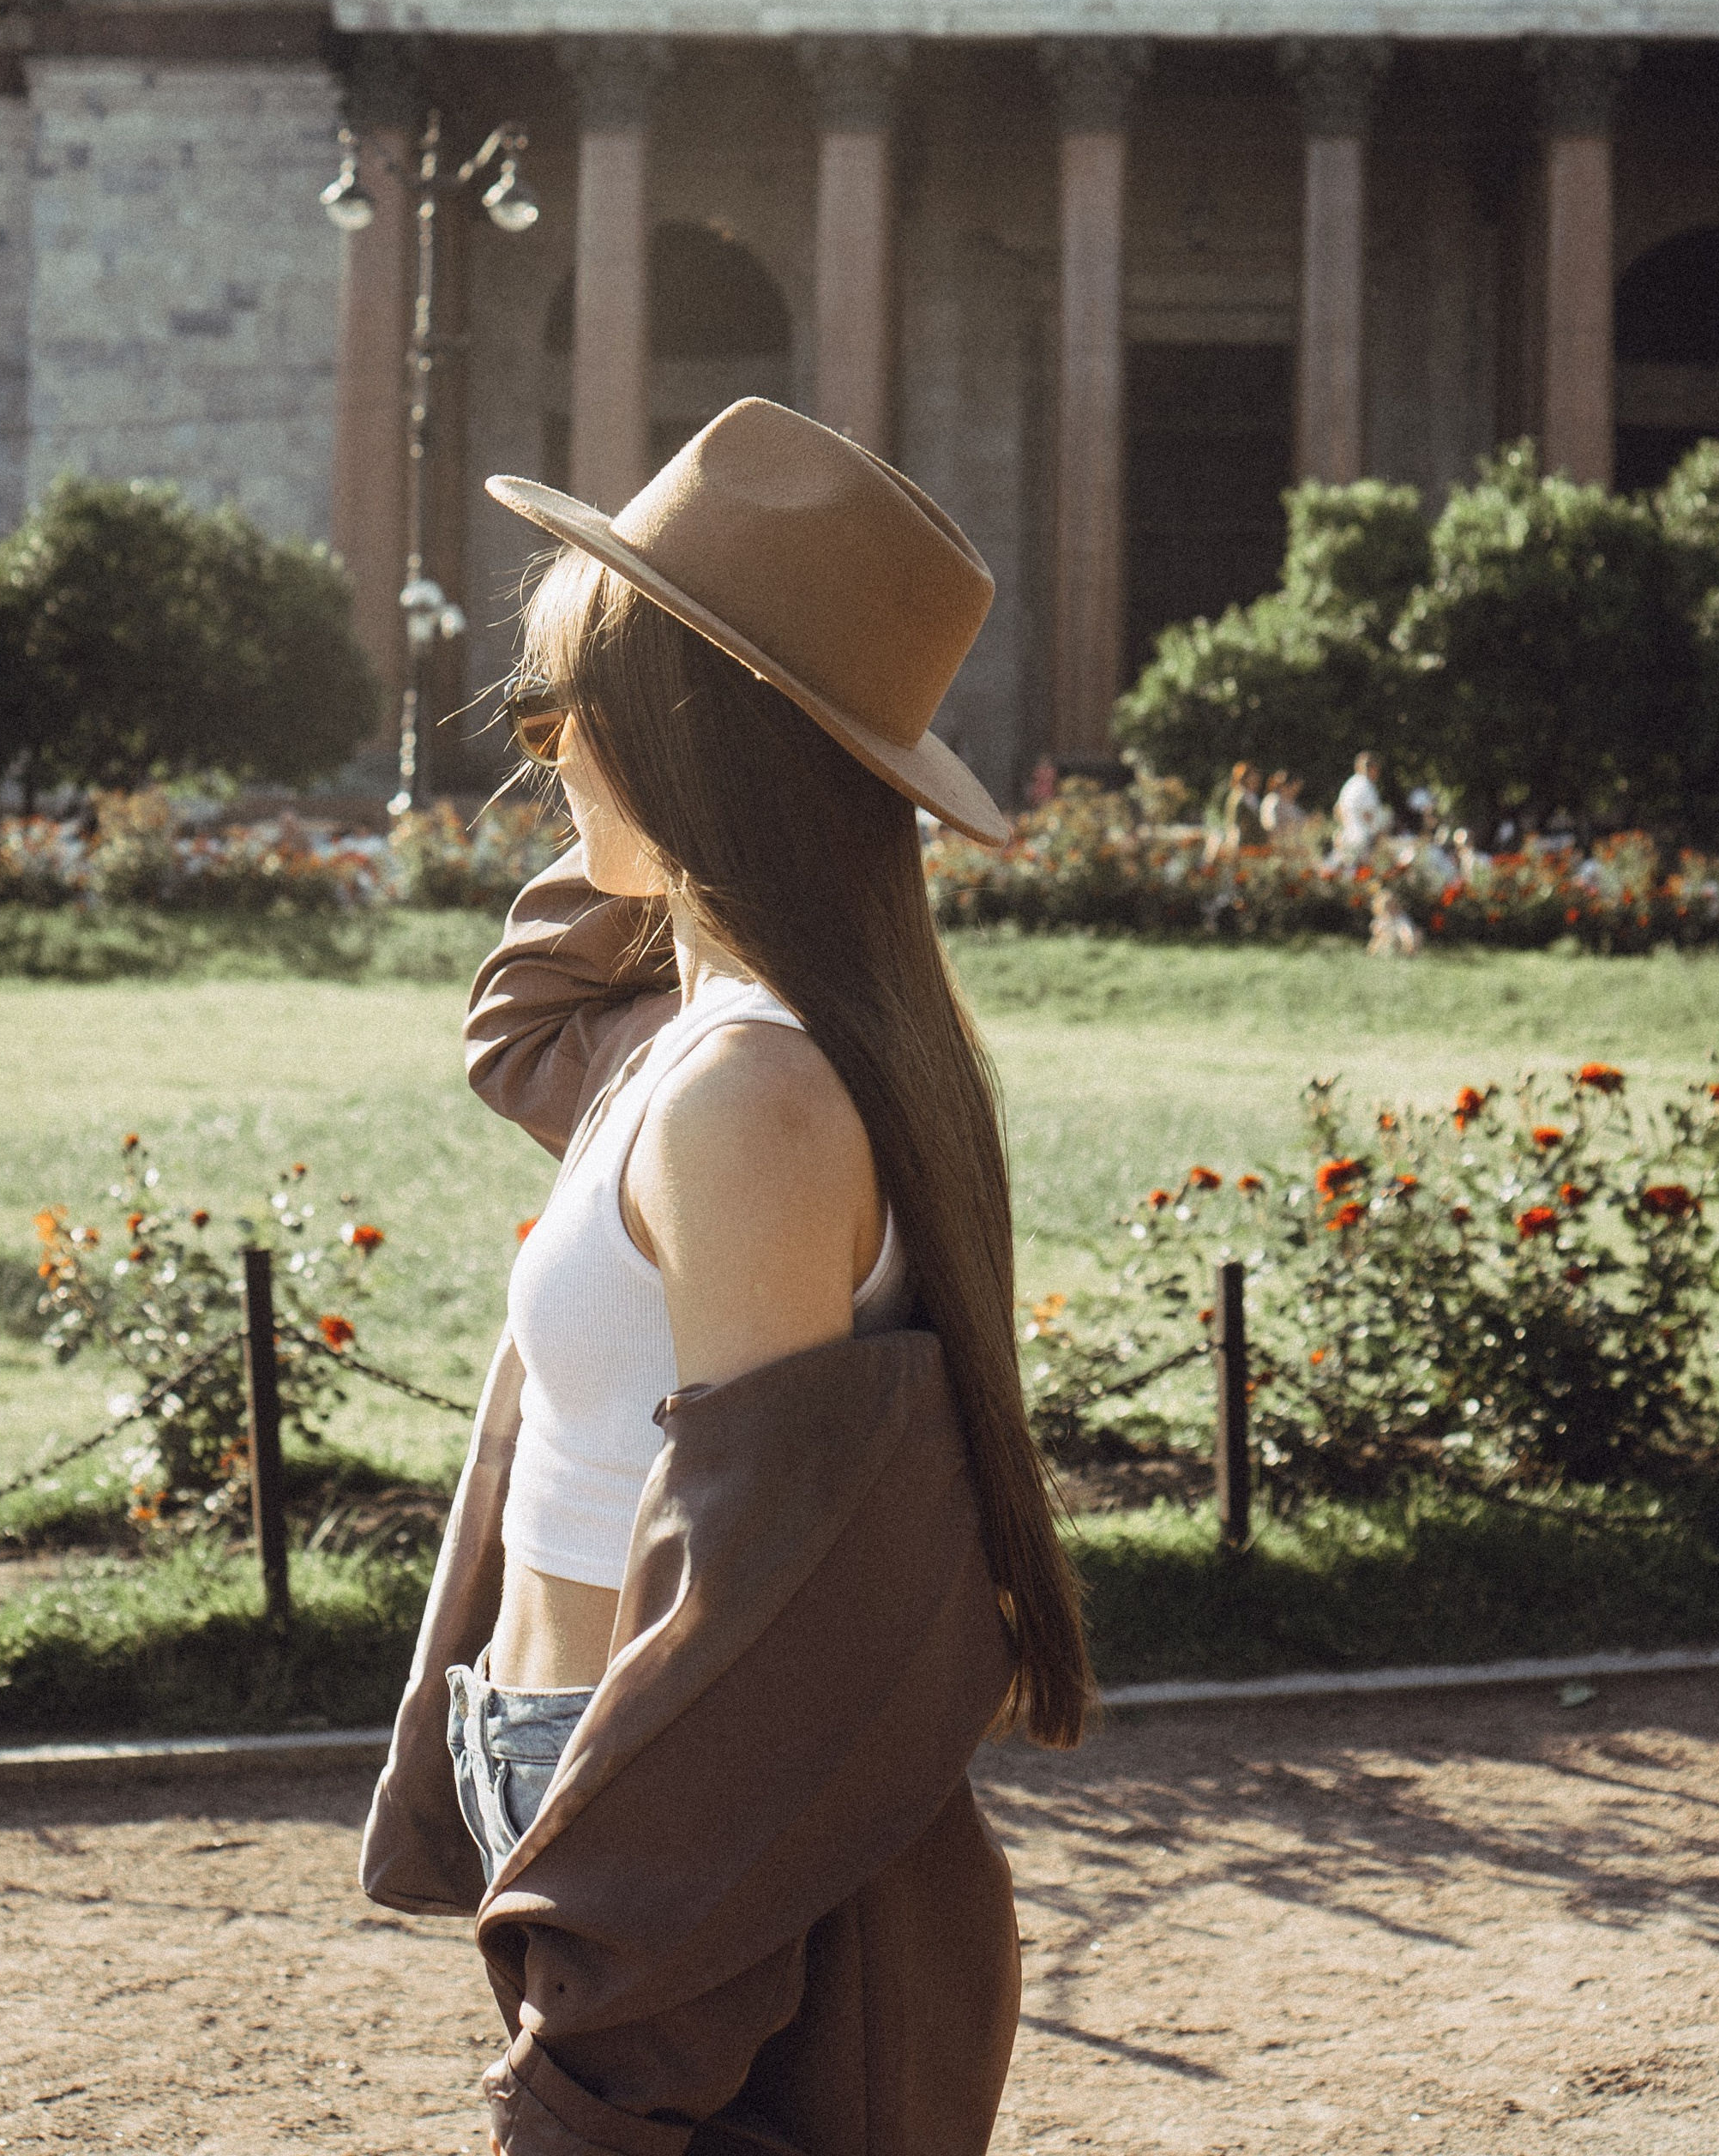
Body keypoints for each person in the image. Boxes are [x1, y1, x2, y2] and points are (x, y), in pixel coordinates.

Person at [362, 398, 1087, 2156]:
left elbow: (768, 1636)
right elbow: (514, 1022)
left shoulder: (753, 1095)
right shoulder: (712, 1039)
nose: (534, 757)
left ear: (678, 738)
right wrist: (693, 843)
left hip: (663, 1837)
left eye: (559, 716)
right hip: (596, 1795)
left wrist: (596, 2083)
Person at [1334, 750, 1385, 864]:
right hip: (1362, 839)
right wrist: (1379, 833)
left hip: (1346, 836)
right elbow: (1369, 815)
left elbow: (1337, 809)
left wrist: (1347, 826)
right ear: (1373, 768)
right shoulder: (1366, 785)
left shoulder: (1350, 784)